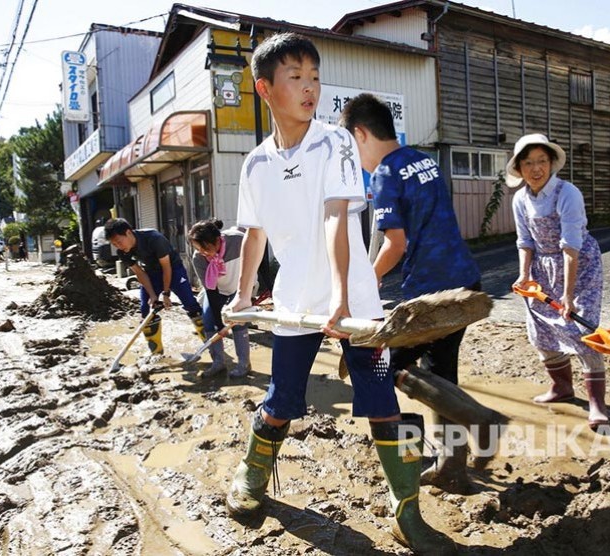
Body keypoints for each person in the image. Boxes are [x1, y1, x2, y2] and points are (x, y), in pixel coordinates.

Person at [224, 33, 457, 555]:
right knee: (282, 400)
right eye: (295, 77)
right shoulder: (255, 165)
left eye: (314, 76)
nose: (309, 88)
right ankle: (252, 477)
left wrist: (343, 299)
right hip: (294, 305)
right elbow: (254, 235)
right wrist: (242, 297)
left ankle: (408, 513)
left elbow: (336, 218)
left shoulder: (334, 142)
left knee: (381, 401)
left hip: (355, 306)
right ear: (265, 88)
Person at [340, 93, 484, 495]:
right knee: (443, 376)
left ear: (361, 134)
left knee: (379, 371)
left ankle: (416, 448)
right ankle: (452, 466)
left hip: (430, 296)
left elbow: (395, 245)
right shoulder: (425, 160)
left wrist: (361, 284)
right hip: (466, 285)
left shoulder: (386, 173)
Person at [507, 133, 610, 431]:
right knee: (540, 329)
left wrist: (567, 295)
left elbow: (570, 246)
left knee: (583, 330)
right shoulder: (520, 199)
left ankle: (597, 405)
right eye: (528, 163)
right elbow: (524, 241)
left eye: (541, 161)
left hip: (579, 265)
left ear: (551, 163)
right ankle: (562, 388)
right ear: (520, 168)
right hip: (542, 268)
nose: (536, 168)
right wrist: (524, 275)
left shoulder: (568, 193)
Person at [104, 218, 205, 355]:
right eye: (114, 244)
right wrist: (152, 295)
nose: (118, 246)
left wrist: (166, 293)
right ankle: (156, 353)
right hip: (151, 273)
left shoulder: (154, 238)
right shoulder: (122, 252)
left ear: (128, 233)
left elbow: (166, 267)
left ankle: (211, 343)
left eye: (119, 241)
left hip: (173, 269)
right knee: (146, 309)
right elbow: (140, 273)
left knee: (191, 305)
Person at [188, 218, 253, 378]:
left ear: (218, 240)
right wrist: (219, 323)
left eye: (206, 248)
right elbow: (211, 292)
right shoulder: (199, 258)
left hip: (239, 288)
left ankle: (244, 364)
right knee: (209, 320)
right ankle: (218, 363)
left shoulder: (237, 241)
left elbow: (256, 254)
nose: (203, 252)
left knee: (237, 322)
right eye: (198, 249)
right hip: (217, 289)